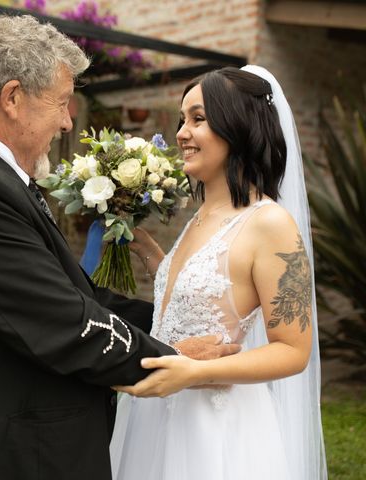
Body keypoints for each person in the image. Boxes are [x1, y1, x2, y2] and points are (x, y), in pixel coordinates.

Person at [0, 15, 237, 480]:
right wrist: (172, 358)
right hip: (2, 454)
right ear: (13, 97)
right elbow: (61, 320)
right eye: (61, 102)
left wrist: (167, 320)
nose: (66, 120)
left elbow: (75, 294)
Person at [109, 65, 327, 480]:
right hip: (155, 412)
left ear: (238, 125)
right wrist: (148, 250)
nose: (181, 133)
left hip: (214, 428)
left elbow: (293, 350)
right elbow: (202, 296)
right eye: (181, 120)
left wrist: (198, 371)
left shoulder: (270, 223)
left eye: (198, 119)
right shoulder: (202, 214)